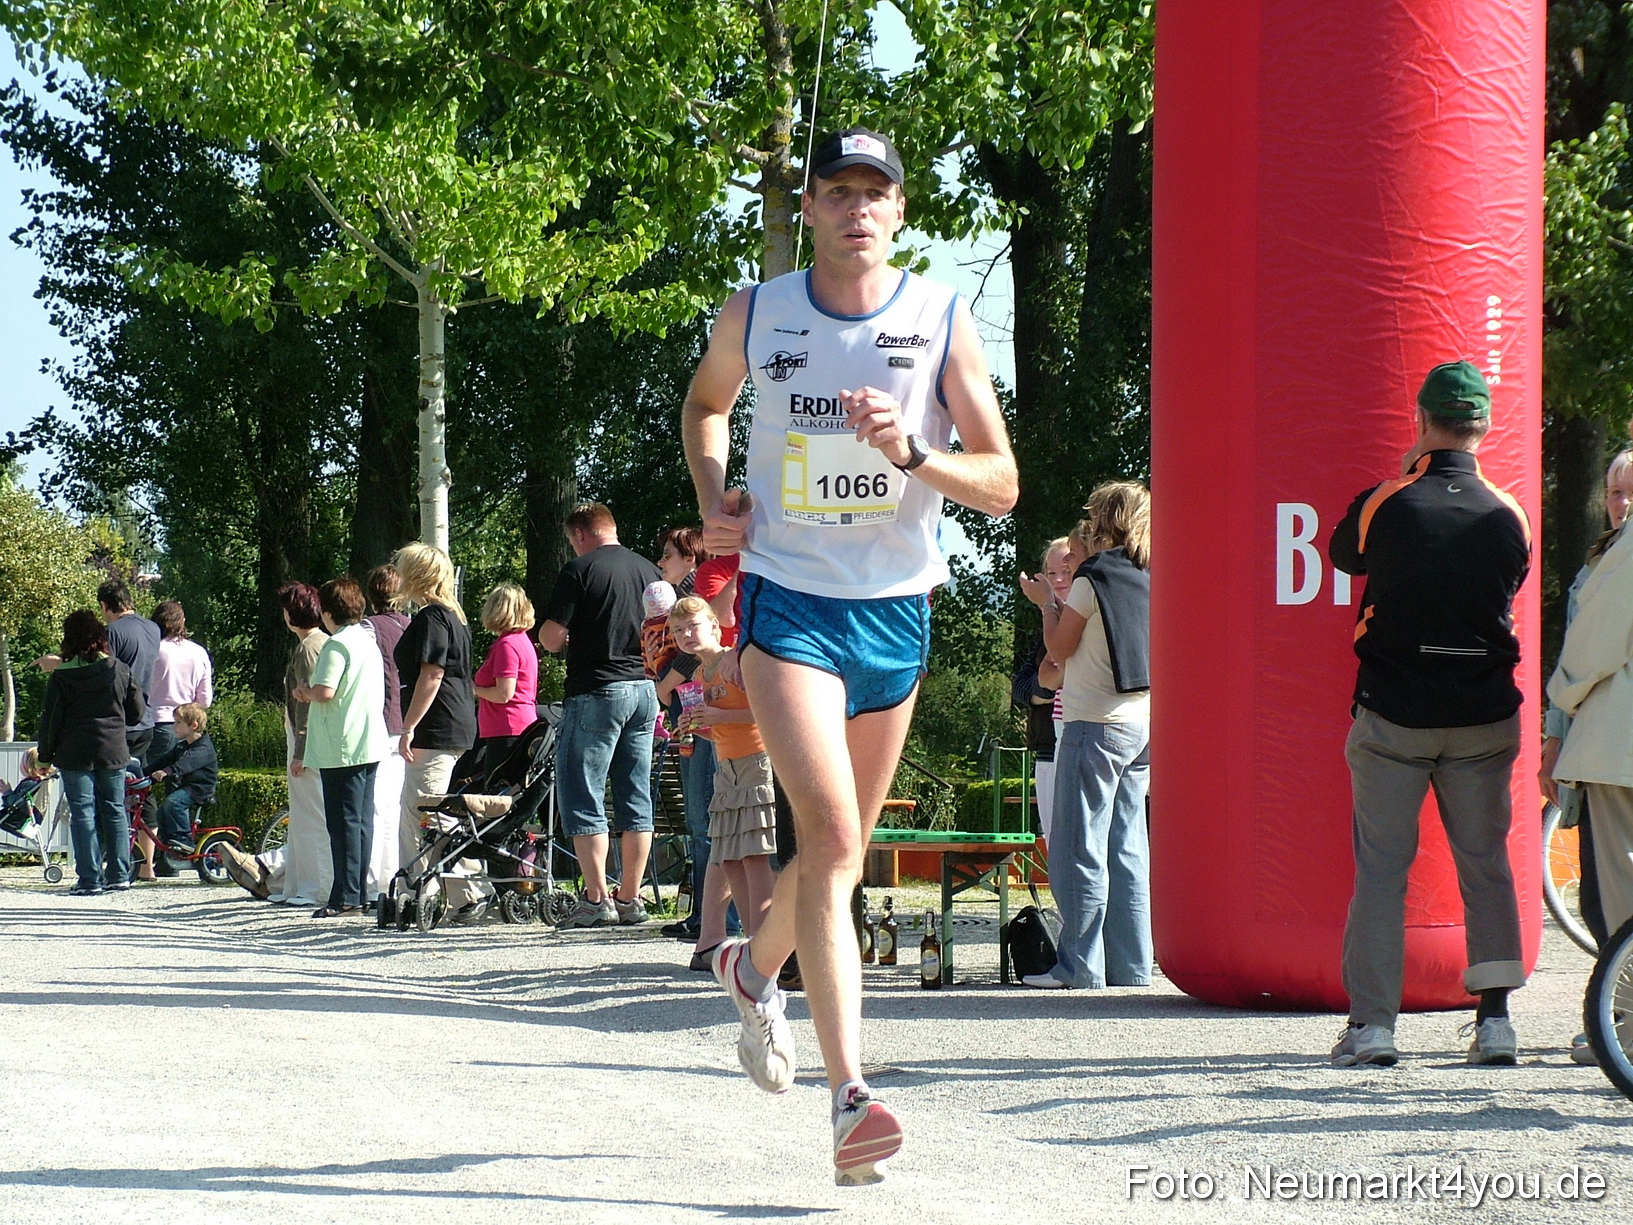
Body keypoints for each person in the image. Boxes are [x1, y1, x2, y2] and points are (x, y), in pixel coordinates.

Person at [682, 126, 1017, 1184]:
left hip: (896, 613)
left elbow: (1004, 483)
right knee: (826, 833)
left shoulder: (940, 316)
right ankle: (850, 1096)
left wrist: (913, 449)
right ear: (812, 208)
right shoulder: (758, 309)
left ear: (900, 212)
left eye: (875, 192)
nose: (856, 208)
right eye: (836, 192)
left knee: (839, 852)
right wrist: (714, 503)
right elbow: (704, 405)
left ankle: (753, 961)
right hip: (789, 605)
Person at [1326, 360, 1531, 1069]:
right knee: (1486, 865)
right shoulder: (1509, 512)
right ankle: (1496, 1021)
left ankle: (1373, 1028)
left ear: (1420, 422)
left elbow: (1341, 552)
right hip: (1482, 714)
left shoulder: (1390, 500)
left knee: (1381, 869)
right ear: (1484, 426)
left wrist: (1406, 470)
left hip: (1392, 714)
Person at [1018, 488, 1152, 989]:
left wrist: (1047, 603)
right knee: (1127, 847)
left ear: (1107, 521)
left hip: (1092, 723)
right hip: (1141, 724)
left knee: (1079, 847)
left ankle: (1079, 966)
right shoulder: (1152, 571)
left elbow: (1058, 648)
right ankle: (1133, 967)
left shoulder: (1093, 579)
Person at [538, 502, 662, 929]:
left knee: (584, 790)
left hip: (597, 689)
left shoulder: (580, 570)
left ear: (581, 535)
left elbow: (552, 639)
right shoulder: (650, 570)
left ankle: (595, 898)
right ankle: (630, 897)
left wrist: (564, 635)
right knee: (635, 795)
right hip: (645, 691)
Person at [670, 596, 778, 956]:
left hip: (756, 762)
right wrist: (696, 725)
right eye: (678, 630)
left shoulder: (735, 661)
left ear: (715, 627)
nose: (686, 634)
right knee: (730, 857)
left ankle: (765, 946)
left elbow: (768, 713)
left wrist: (717, 717)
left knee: (754, 856)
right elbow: (717, 723)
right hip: (726, 768)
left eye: (693, 626)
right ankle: (754, 946)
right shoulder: (700, 674)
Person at [393, 543, 484, 917]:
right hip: (456, 722)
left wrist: (409, 725)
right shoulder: (454, 616)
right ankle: (463, 889)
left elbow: (432, 674)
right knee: (435, 809)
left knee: (421, 811)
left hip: (437, 725)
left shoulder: (432, 618)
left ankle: (425, 891)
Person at [35, 610, 145, 894]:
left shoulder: (62, 677)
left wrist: (45, 757)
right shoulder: (119, 668)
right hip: (113, 750)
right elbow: (137, 712)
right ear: (100, 637)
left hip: (75, 754)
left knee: (83, 814)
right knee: (115, 810)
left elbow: (51, 720)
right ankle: (120, 874)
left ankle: (89, 879)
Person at [299, 576, 388, 918]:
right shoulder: (367, 641)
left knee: (342, 822)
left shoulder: (336, 645)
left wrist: (304, 691)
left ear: (327, 610)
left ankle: (346, 896)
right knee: (361, 820)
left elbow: (325, 691)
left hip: (343, 744)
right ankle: (356, 890)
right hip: (369, 739)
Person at [137, 599, 214, 878]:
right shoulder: (198, 652)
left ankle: (146, 861)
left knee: (144, 787)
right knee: (175, 790)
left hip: (153, 722)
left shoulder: (153, 649)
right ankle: (172, 857)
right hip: (186, 727)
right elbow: (204, 699)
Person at [1013, 537, 1075, 844]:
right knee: (1057, 845)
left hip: (1086, 742)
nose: (1059, 579)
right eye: (1051, 574)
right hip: (1049, 747)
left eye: (1066, 569)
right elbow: (1022, 687)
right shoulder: (1047, 625)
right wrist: (1047, 689)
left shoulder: (1094, 617)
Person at [364, 564, 411, 900]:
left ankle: (375, 882)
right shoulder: (412, 626)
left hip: (380, 723)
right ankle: (397, 876)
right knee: (397, 806)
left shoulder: (369, 629)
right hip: (408, 722)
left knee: (378, 806)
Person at [472, 583, 540, 772]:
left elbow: (504, 694)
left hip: (507, 729)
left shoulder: (507, 645)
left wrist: (474, 689)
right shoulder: (522, 641)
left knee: (497, 796)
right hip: (517, 726)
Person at [146, 702, 218, 859]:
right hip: (187, 786)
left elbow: (186, 764)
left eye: (178, 722)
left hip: (200, 789)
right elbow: (163, 761)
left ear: (193, 725)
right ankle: (170, 843)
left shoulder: (203, 748)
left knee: (173, 803)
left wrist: (167, 771)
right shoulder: (182, 746)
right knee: (162, 811)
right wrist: (143, 773)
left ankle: (185, 840)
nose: (174, 726)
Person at [655, 526, 706, 597]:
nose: (659, 563)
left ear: (689, 559)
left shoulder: (700, 601)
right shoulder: (700, 596)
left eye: (666, 556)